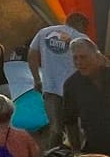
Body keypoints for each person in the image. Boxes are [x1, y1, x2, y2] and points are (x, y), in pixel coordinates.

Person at [28, 11, 92, 141]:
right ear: (79, 24)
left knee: (56, 129)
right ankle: (76, 155)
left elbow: (32, 55)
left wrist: (36, 79)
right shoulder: (81, 37)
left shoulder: (44, 32)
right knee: (75, 127)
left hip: (50, 88)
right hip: (74, 90)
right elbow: (94, 60)